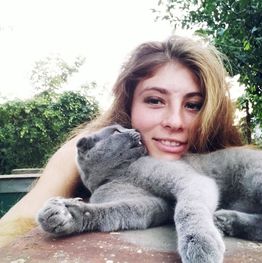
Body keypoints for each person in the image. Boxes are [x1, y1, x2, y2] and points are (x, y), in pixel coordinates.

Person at [0, 35, 242, 247]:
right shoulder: (90, 150)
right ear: (129, 105)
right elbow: (19, 222)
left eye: (193, 105)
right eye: (155, 100)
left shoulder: (225, 158)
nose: (175, 122)